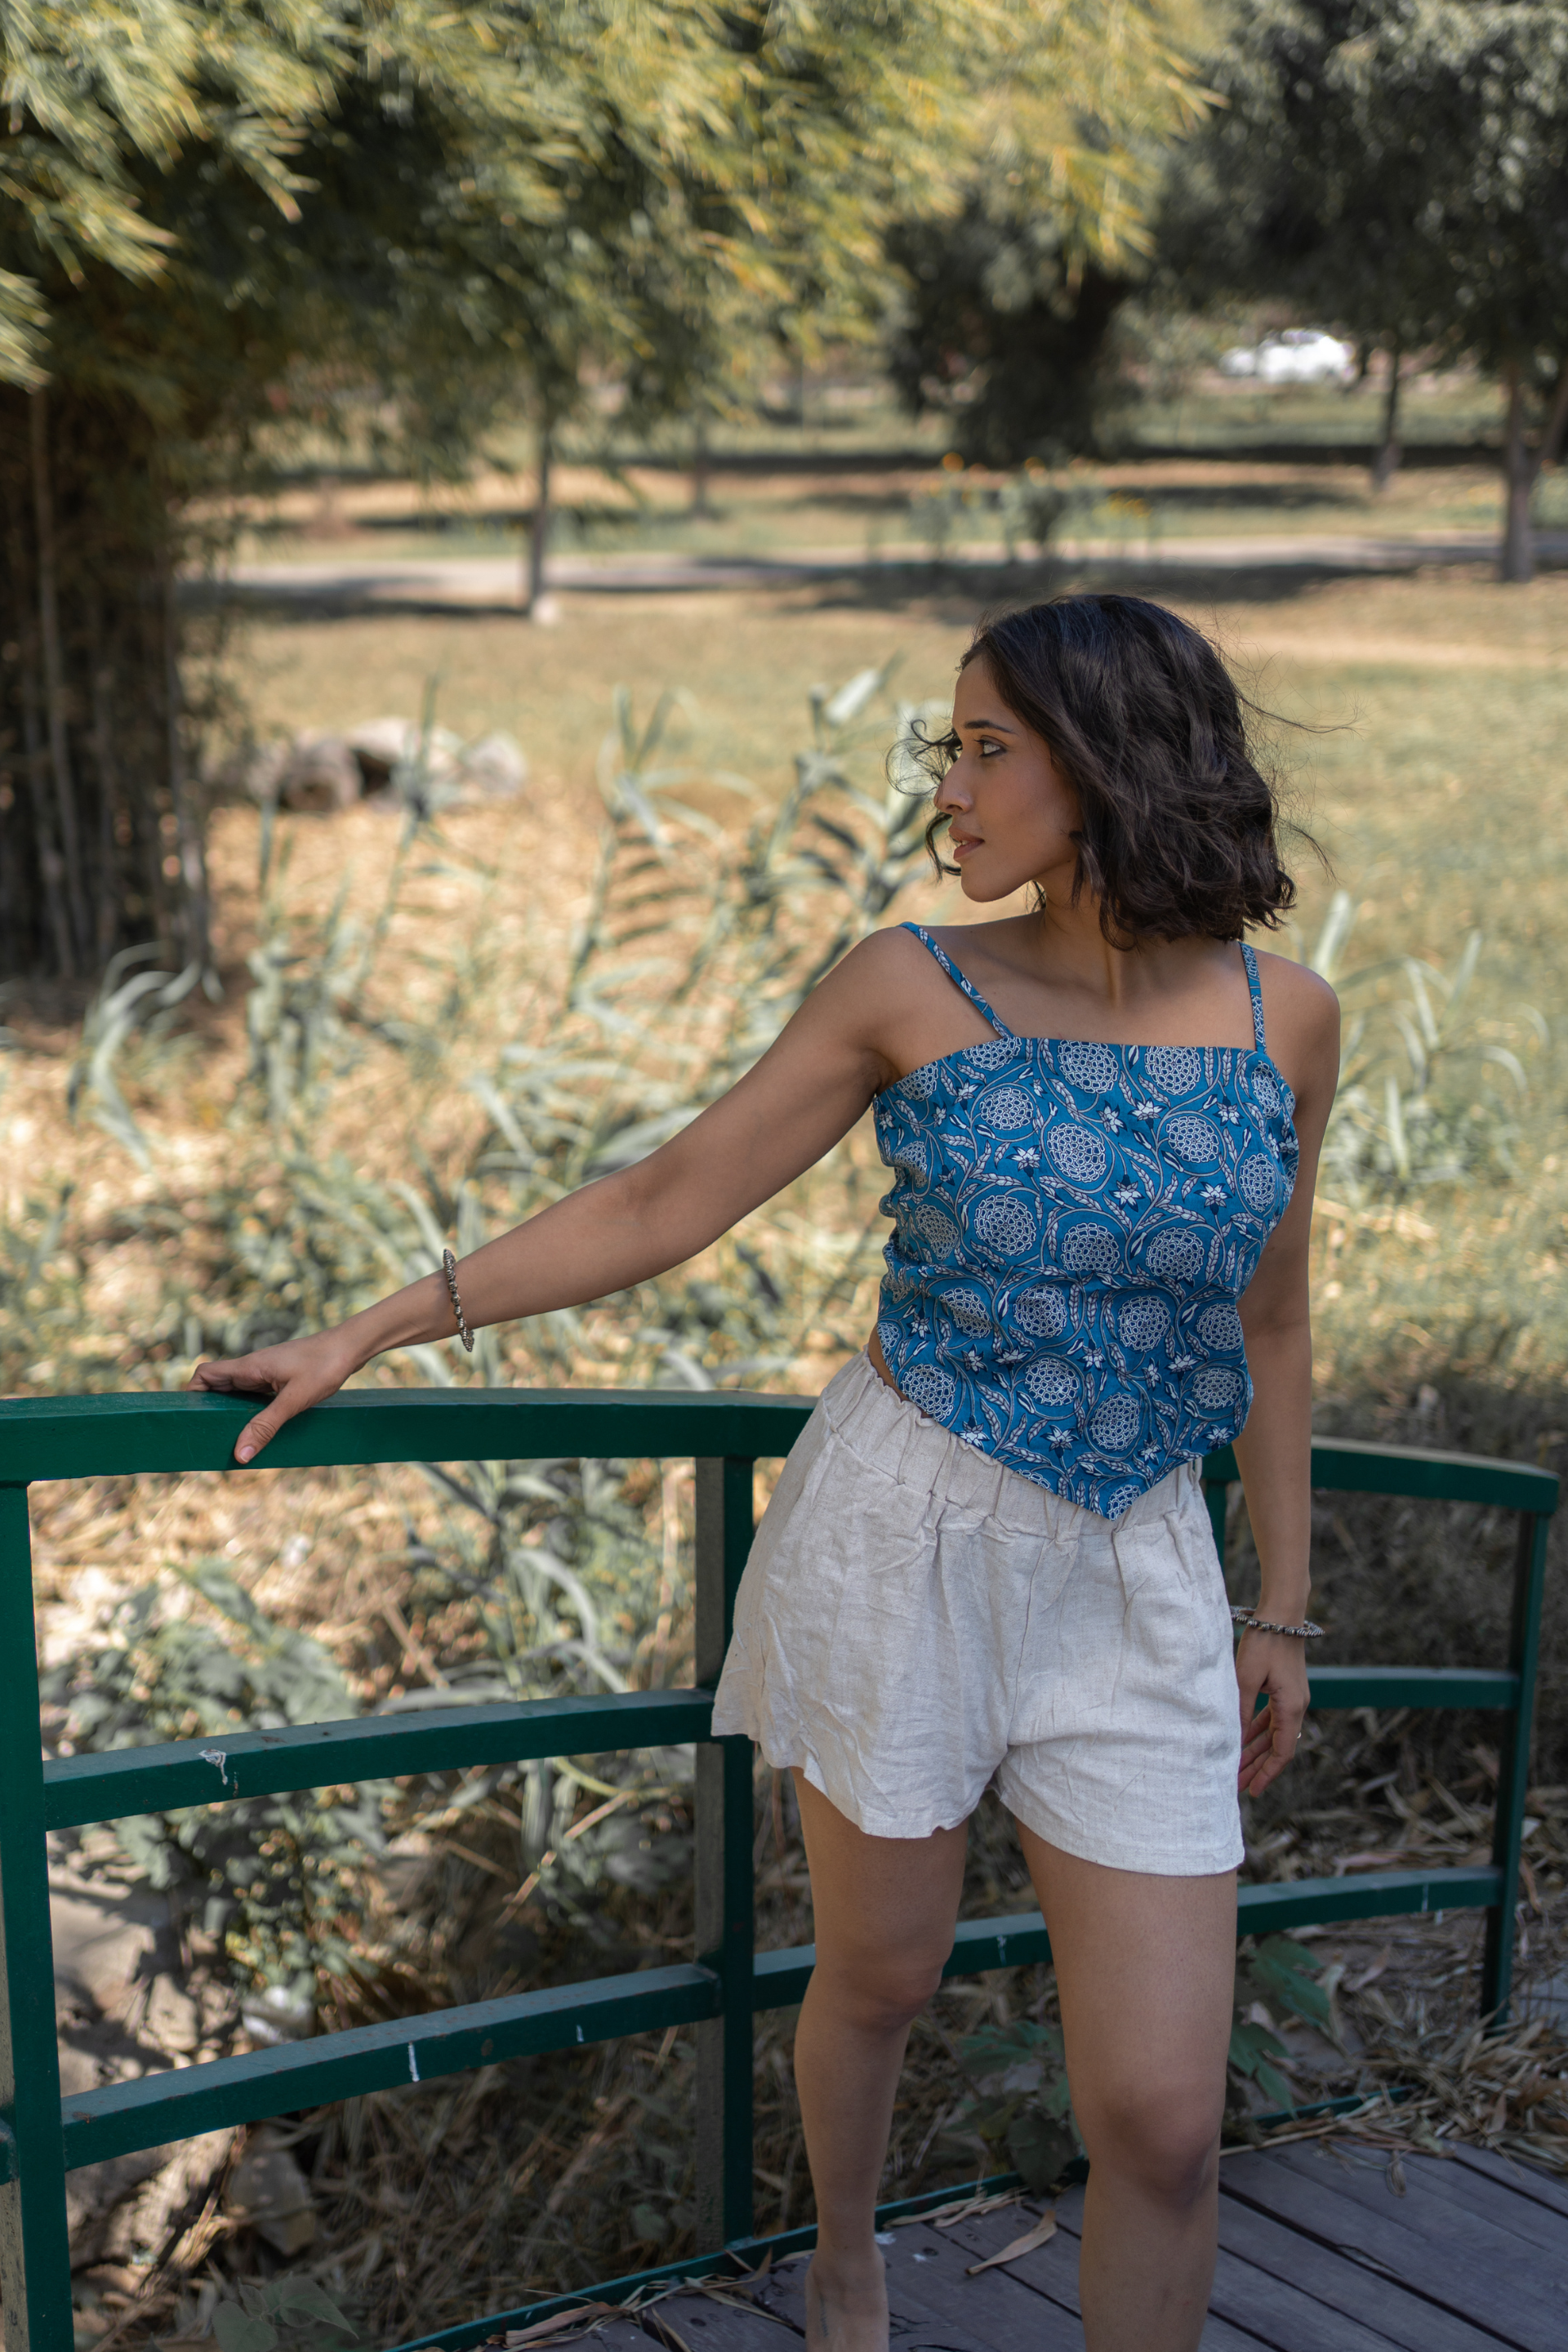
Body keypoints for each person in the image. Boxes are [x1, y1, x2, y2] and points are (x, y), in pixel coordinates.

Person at [193, 594, 1339, 2352]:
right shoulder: (912, 979)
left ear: (1104, 765)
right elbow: (664, 1197)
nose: (942, 787)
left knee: (1168, 2122)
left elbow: (1271, 1322)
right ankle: (850, 2254)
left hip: (1142, 1574)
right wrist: (373, 1326)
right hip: (909, 1528)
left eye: (981, 747)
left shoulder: (1287, 1018)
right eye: (940, 747)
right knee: (881, 1972)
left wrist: (1282, 1599)